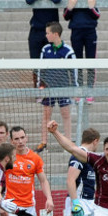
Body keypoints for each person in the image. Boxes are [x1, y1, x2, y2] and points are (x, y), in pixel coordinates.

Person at [35, 21, 77, 153]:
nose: (46, 35)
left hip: (63, 87)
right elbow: (40, 69)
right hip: (49, 87)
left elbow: (74, 70)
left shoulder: (68, 51)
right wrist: (39, 86)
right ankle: (44, 142)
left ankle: (68, 141)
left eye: (48, 33)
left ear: (55, 34)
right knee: (46, 114)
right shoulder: (45, 49)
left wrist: (74, 87)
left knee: (65, 113)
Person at [63, 0, 100, 104]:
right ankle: (78, 92)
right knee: (77, 62)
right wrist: (70, 8)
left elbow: (97, 15)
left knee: (90, 62)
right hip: (76, 32)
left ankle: (90, 92)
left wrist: (91, 7)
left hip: (90, 32)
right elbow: (65, 16)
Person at [25, 0, 61, 87]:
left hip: (51, 33)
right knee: (36, 62)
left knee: (50, 61)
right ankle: (38, 88)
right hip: (36, 32)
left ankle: (50, 86)